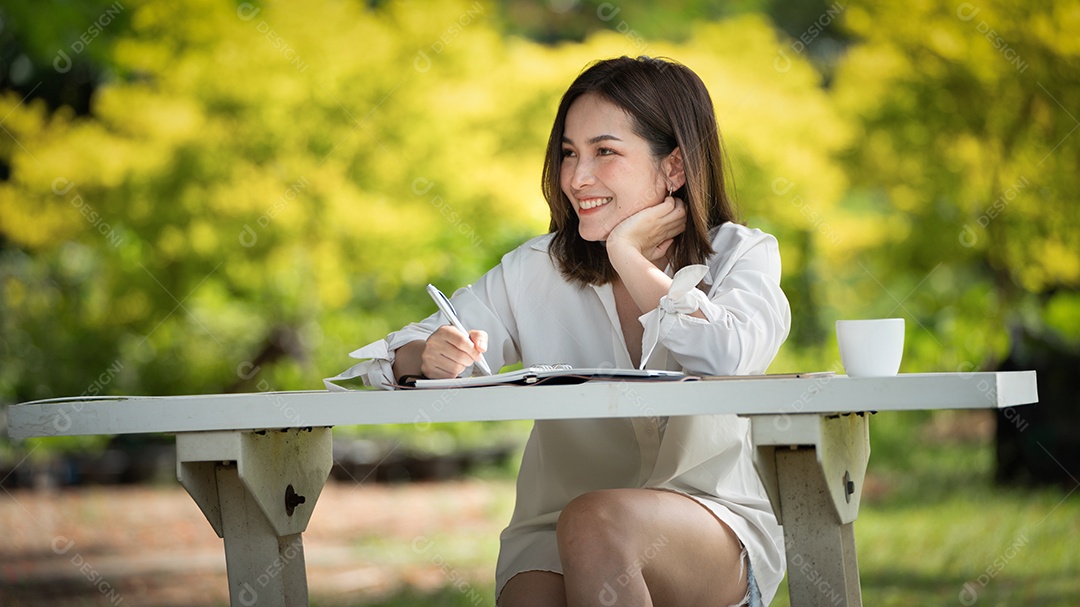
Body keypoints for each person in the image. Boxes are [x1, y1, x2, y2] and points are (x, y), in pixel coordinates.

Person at [327, 55, 790, 607]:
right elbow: (403, 351)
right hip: (550, 530)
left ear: (674, 169)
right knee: (552, 567)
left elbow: (728, 353)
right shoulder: (536, 269)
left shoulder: (742, 256)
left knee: (595, 522)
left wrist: (627, 256)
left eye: (605, 152)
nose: (575, 177)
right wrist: (425, 356)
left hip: (709, 524)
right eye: (569, 153)